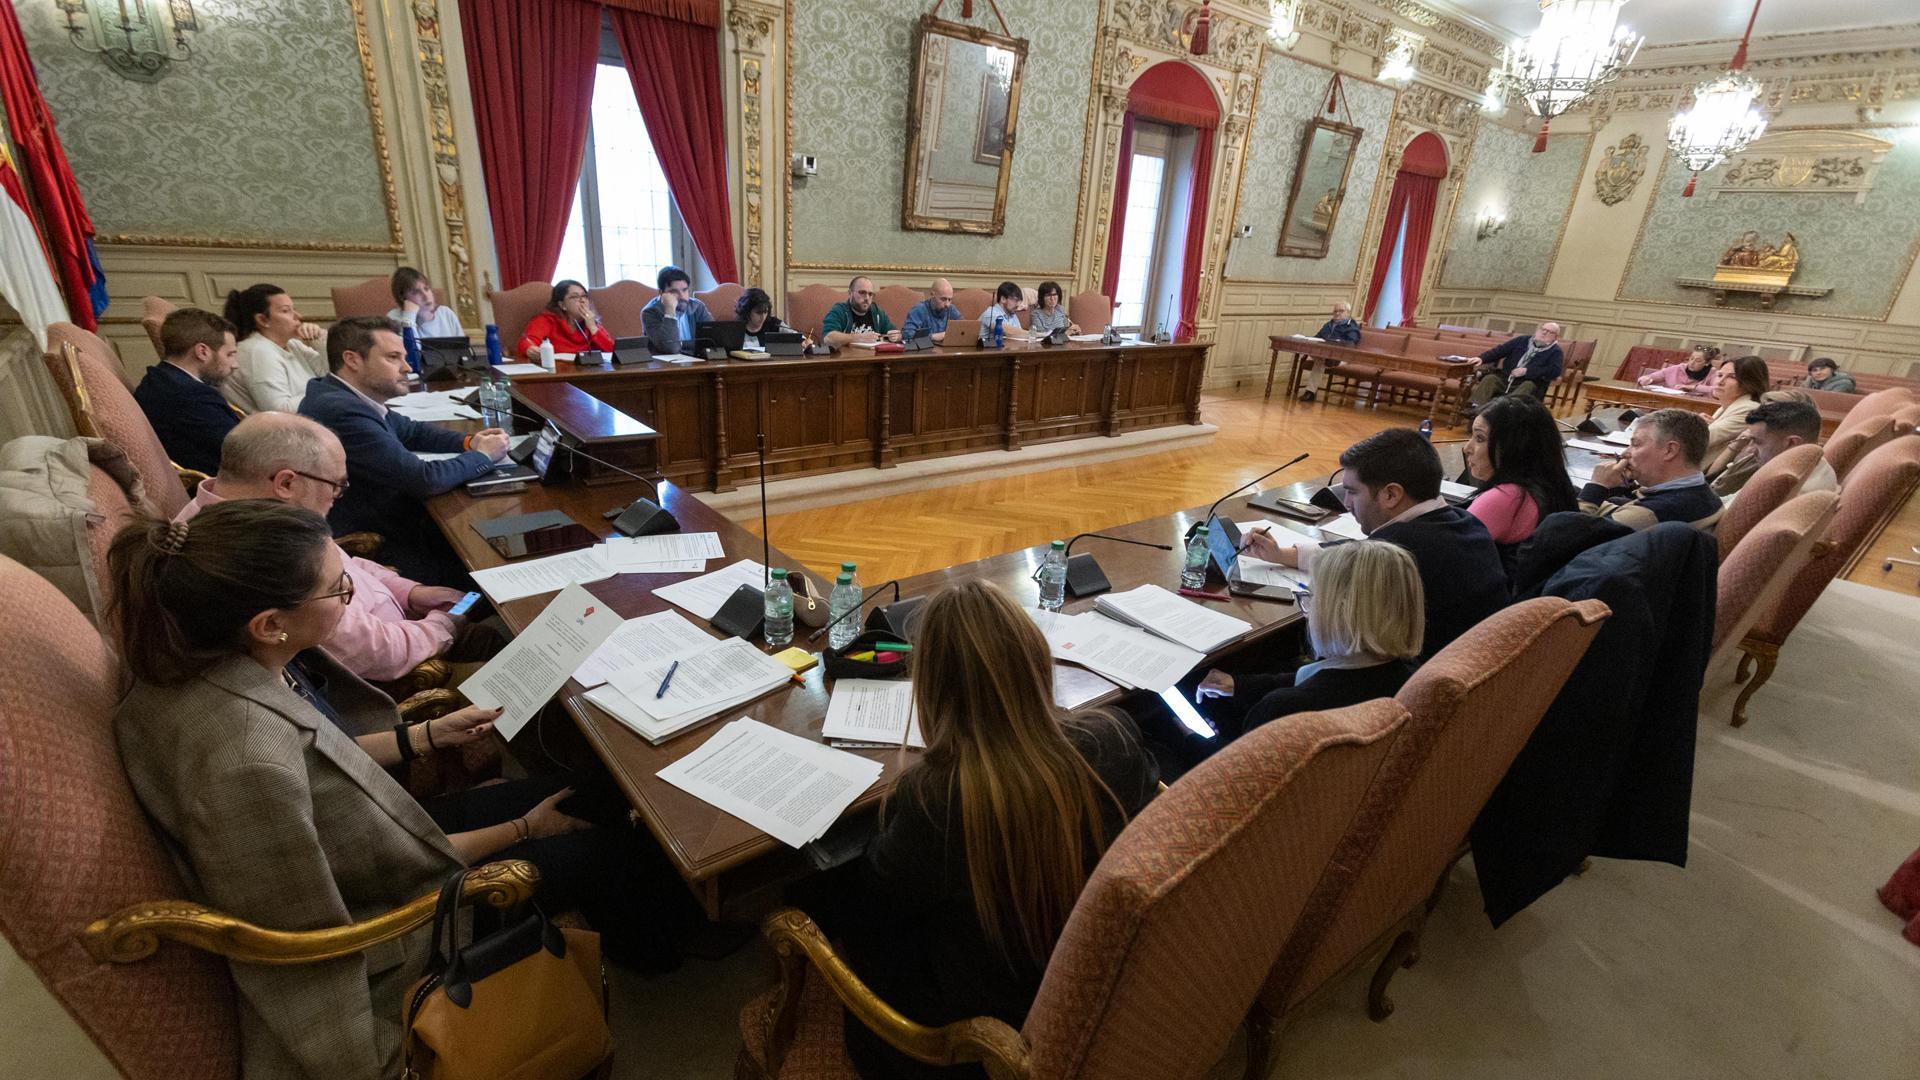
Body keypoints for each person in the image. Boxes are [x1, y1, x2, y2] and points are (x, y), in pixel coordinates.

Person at [107, 501, 695, 1079]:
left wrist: (426, 735)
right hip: (400, 908)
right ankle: (662, 952)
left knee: (582, 790)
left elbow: (320, 757)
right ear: (269, 623)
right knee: (610, 844)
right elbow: (317, 930)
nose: (349, 599)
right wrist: (523, 830)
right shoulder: (242, 761)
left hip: (376, 831)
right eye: (338, 589)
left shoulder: (219, 662)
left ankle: (639, 920)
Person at [809, 580, 1156, 1080]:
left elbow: (873, 913)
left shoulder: (937, 797)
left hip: (975, 1042)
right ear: (1035, 660)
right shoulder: (1113, 738)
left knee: (829, 902)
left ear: (931, 690)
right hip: (1086, 982)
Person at [176, 412, 502, 680]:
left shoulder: (260, 514)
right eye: (336, 486)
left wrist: (411, 592)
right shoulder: (254, 555)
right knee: (503, 648)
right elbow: (379, 653)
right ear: (286, 482)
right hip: (395, 663)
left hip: (406, 623)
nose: (336, 498)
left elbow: (348, 562)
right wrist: (443, 625)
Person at [1244, 427, 1507, 658]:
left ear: (1391, 494)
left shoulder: (1396, 551)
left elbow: (1346, 656)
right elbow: (1351, 554)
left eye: (1352, 492)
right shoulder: (1463, 520)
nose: (1346, 505)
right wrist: (1282, 554)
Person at [299, 316, 510, 587]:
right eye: (393, 358)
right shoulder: (340, 410)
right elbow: (423, 479)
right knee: (488, 564)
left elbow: (411, 431)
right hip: (377, 541)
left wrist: (470, 442)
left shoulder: (342, 394)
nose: (407, 367)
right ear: (352, 360)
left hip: (393, 518)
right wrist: (483, 456)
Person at [1194, 540, 1422, 741]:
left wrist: (1187, 738)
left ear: (1339, 612)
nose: (1306, 612)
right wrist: (1242, 685)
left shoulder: (1282, 711)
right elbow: (1329, 677)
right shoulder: (1413, 676)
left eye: (1311, 598)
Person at [1462, 395, 1578, 553]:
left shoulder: (1505, 498)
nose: (1467, 448)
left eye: (1480, 438)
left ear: (1512, 448)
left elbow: (1450, 557)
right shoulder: (1553, 485)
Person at [132, 308, 241, 475]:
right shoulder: (191, 396)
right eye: (230, 355)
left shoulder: (159, 379)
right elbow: (246, 451)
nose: (235, 365)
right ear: (202, 351)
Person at [1578, 408, 1723, 531]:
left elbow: (1569, 536)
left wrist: (1596, 488)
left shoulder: (1650, 514)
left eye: (1636, 444)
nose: (1625, 454)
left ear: (1670, 450)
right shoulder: (1705, 494)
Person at [222, 283, 328, 414]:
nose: (298, 316)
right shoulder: (258, 351)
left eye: (293, 309)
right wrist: (328, 393)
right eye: (286, 310)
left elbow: (331, 375)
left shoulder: (293, 344)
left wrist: (318, 338)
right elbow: (279, 409)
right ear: (262, 320)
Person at [1709, 396, 1837, 499]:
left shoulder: (1782, 486)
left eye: (1757, 441)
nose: (1749, 449)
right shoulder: (1802, 466)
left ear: (1792, 443)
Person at [1465, 321, 1564, 413]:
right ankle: (1476, 409)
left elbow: (1555, 371)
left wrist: (1527, 371)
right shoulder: (1522, 340)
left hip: (1529, 382)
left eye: (1550, 332)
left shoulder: (1555, 352)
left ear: (1555, 337)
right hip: (1506, 378)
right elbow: (1500, 350)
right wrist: (1481, 358)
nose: (1544, 333)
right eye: (1543, 330)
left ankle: (1507, 412)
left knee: (1527, 385)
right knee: (1490, 378)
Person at [516, 280, 614, 360]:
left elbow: (612, 351)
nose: (582, 300)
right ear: (562, 305)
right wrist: (530, 349)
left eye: (584, 296)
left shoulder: (591, 322)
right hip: (558, 372)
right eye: (575, 297)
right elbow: (526, 343)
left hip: (588, 372)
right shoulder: (547, 320)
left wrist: (593, 328)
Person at [1704, 354, 1771, 461]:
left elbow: (1701, 439)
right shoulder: (1729, 404)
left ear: (1750, 382)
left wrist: (1694, 425)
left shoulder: (1749, 409)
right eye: (1720, 375)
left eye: (1732, 377)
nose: (1720, 382)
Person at [1296, 300, 1362, 403]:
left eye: (1341, 311)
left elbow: (1350, 344)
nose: (1337, 313)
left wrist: (1333, 344)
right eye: (1335, 311)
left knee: (1319, 361)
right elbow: (1317, 337)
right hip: (1324, 354)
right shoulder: (1329, 324)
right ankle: (1310, 391)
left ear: (1348, 313)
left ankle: (1310, 392)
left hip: (1340, 358)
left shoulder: (1352, 327)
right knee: (1306, 353)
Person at [640, 265, 712, 354]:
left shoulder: (697, 307)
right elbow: (670, 348)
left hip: (698, 362)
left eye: (685, 290)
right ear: (661, 293)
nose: (682, 296)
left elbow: (713, 340)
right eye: (674, 292)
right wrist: (670, 311)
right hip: (669, 365)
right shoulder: (650, 312)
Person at [822, 276, 900, 347]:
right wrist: (860, 337)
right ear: (850, 293)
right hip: (847, 359)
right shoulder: (840, 310)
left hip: (875, 359)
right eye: (862, 293)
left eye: (870, 294)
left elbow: (895, 334)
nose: (867, 298)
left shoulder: (877, 312)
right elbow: (828, 338)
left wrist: (897, 336)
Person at [386, 266, 463, 338]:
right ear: (403, 298)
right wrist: (409, 317)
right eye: (416, 292)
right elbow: (412, 351)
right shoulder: (394, 319)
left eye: (426, 289)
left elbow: (463, 349)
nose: (426, 296)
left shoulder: (446, 314)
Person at [1636, 346, 1721, 396]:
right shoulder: (1677, 368)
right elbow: (1651, 377)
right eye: (1691, 359)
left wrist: (1693, 387)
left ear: (1707, 363)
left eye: (1698, 361)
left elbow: (1717, 390)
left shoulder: (1713, 373)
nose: (1691, 363)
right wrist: (1645, 379)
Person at [901, 277, 958, 343]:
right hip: (924, 352)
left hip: (946, 351)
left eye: (950, 299)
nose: (947, 304)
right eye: (943, 299)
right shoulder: (919, 310)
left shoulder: (951, 309)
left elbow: (963, 330)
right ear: (932, 295)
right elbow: (906, 335)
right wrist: (932, 337)